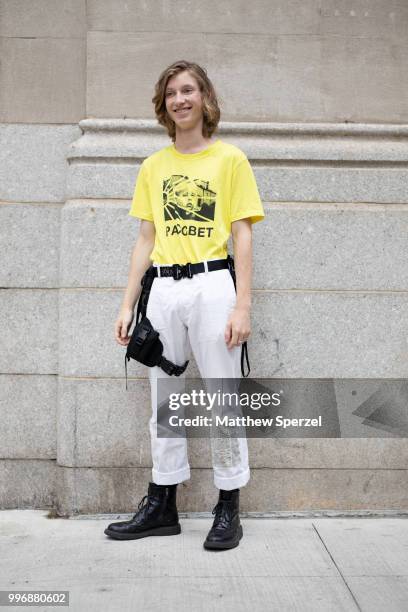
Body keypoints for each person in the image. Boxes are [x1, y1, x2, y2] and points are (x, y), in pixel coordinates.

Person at [104, 60, 264, 550]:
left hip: (214, 284)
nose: (180, 99)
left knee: (221, 397)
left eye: (189, 90)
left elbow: (243, 236)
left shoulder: (230, 159)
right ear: (164, 104)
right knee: (165, 401)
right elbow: (145, 238)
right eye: (172, 92)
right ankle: (162, 503)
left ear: (204, 98)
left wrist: (242, 306)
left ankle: (228, 505)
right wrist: (128, 304)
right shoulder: (154, 166)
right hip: (165, 291)